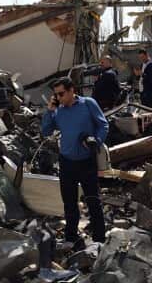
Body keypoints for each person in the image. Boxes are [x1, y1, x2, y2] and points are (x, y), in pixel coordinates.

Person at [42, 77, 109, 246]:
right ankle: (71, 237)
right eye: (56, 95)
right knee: (69, 203)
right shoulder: (59, 110)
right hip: (67, 162)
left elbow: (103, 125)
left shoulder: (88, 104)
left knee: (93, 201)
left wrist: (96, 141)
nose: (59, 98)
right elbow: (46, 131)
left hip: (87, 161)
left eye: (61, 94)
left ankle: (100, 238)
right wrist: (50, 111)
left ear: (72, 90)